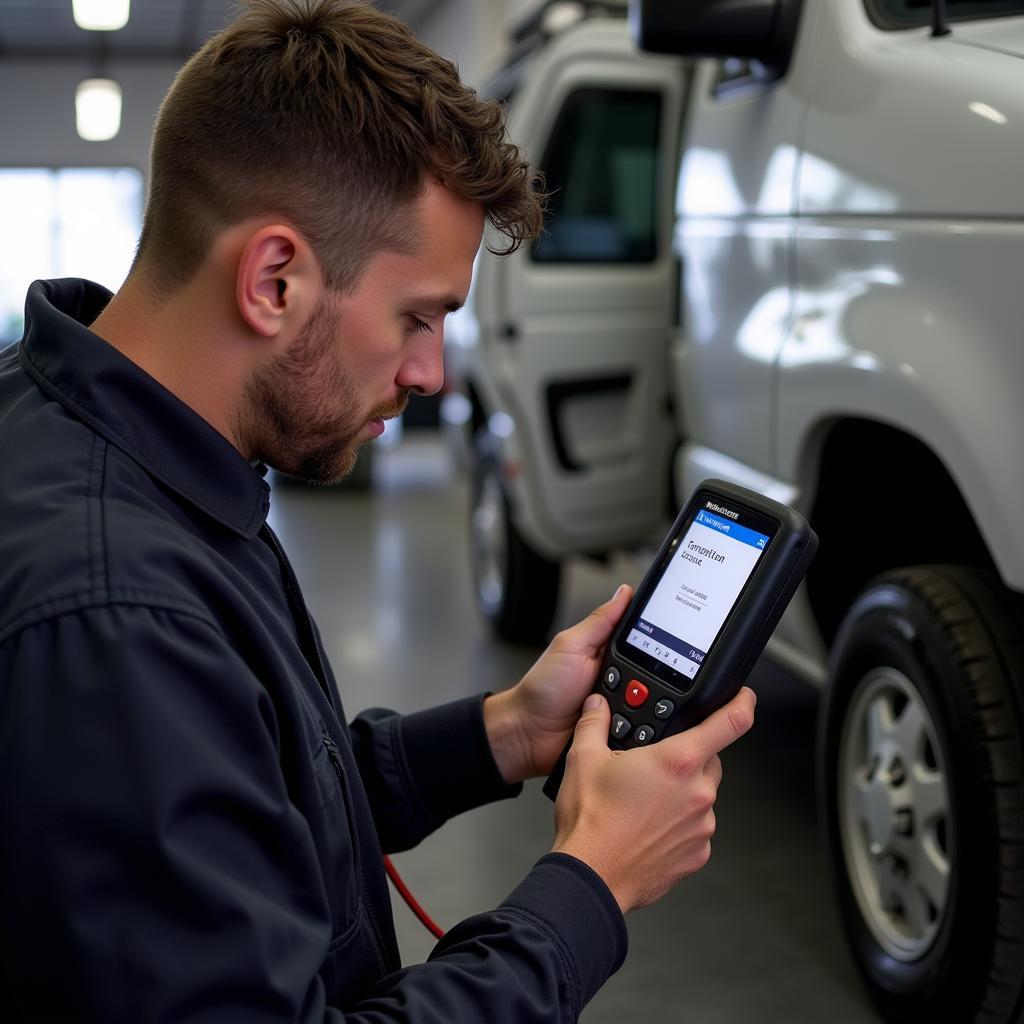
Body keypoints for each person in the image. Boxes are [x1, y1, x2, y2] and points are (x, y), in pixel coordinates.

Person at [0, 1, 756, 1020]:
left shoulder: (111, 434)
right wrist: (592, 884)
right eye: (418, 316)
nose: (432, 373)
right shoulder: (116, 613)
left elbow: (246, 794)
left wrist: (497, 732)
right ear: (273, 279)